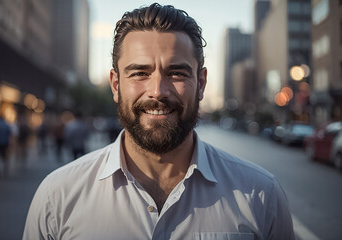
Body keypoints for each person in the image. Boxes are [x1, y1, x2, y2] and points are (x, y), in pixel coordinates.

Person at [23, 3, 295, 239]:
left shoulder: (261, 194)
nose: (158, 91)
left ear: (200, 83)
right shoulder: (57, 197)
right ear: (116, 85)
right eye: (140, 73)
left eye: (176, 73)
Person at [0, 112, 12, 179]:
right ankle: (3, 169)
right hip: (5, 143)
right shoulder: (7, 125)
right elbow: (10, 135)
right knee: (4, 157)